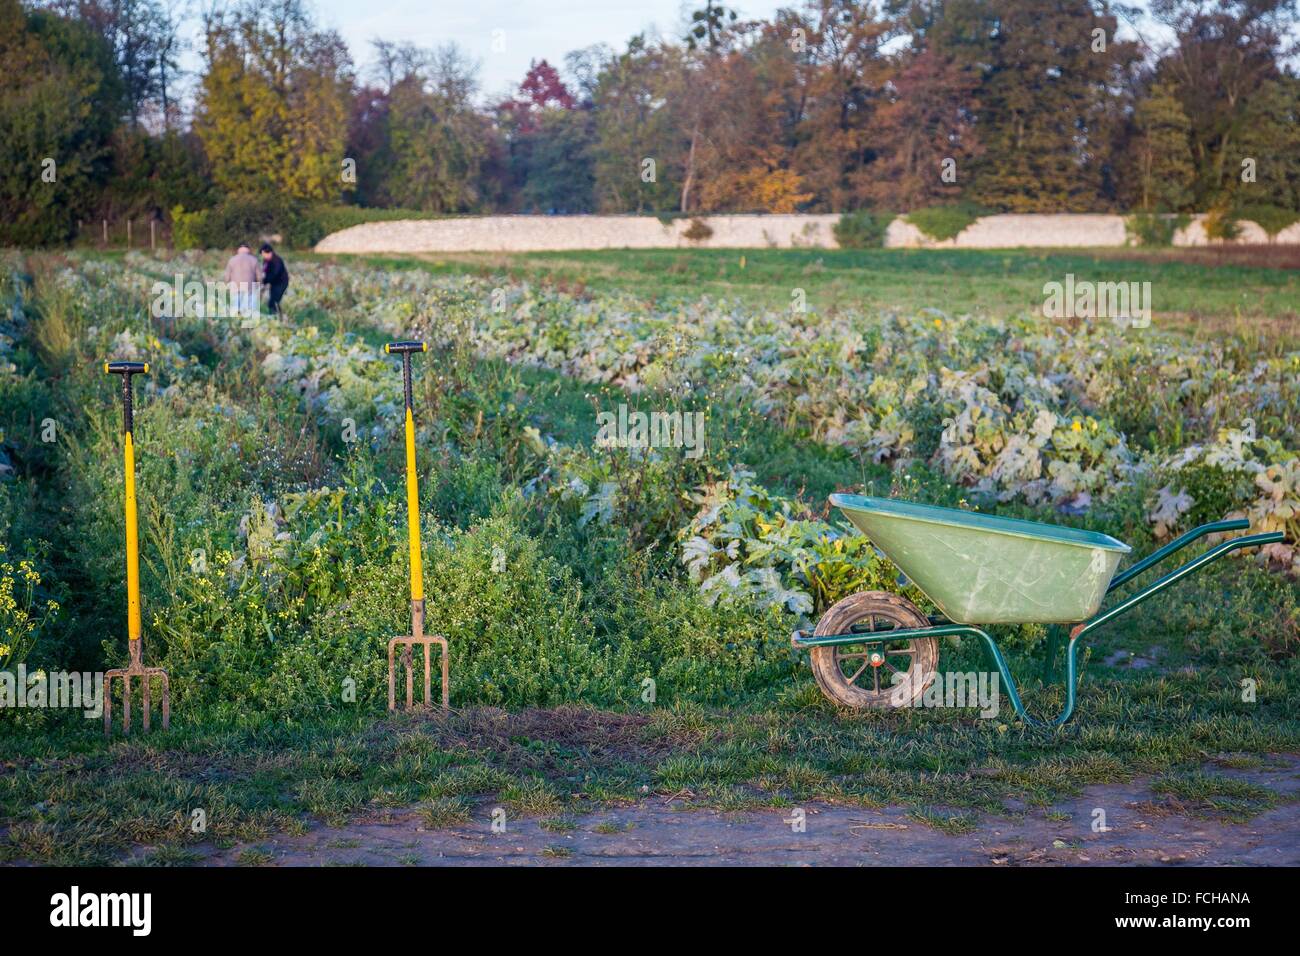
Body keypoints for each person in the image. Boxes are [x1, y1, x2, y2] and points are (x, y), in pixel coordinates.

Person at [223, 243, 260, 318]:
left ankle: (236, 326)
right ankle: (247, 327)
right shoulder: (254, 260)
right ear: (248, 250)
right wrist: (258, 285)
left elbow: (227, 276)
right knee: (248, 311)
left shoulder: (232, 260)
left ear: (238, 250)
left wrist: (227, 284)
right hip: (249, 288)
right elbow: (259, 276)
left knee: (235, 310)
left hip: (235, 288)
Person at [260, 243, 289, 314]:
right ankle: (277, 316)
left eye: (263, 253)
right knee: (273, 302)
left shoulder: (277, 261)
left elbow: (274, 274)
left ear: (268, 252)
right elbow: (265, 271)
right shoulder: (266, 261)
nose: (262, 256)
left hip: (281, 283)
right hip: (274, 283)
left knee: (274, 302)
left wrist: (265, 281)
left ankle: (278, 317)